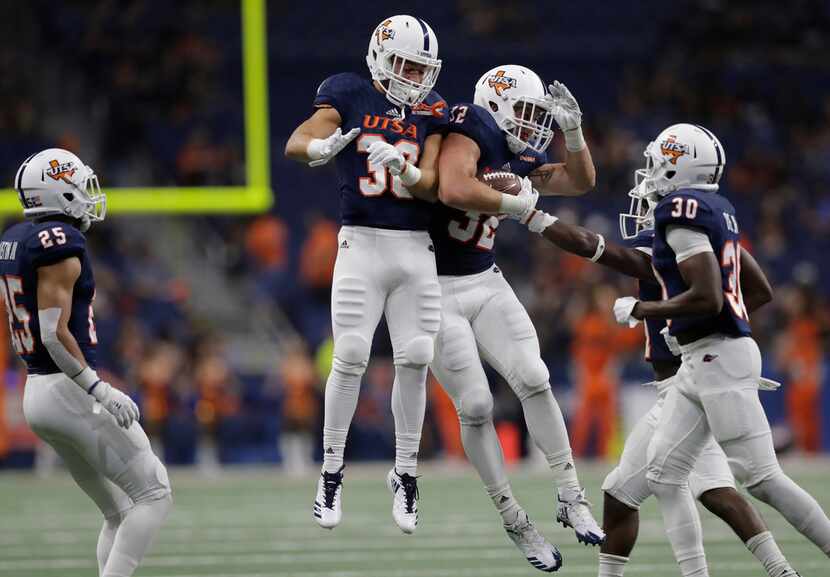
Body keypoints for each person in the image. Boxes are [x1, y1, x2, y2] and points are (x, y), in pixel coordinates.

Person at [401, 64, 601, 572]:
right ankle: (514, 517)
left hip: (484, 279)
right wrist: (518, 205)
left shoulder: (515, 148)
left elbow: (579, 181)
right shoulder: (470, 125)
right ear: (497, 104)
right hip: (433, 287)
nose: (536, 126)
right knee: (475, 406)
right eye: (529, 113)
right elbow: (453, 189)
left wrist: (574, 134)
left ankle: (571, 494)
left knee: (535, 376)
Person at [284, 15, 447, 534]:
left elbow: (437, 185)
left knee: (417, 357)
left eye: (421, 67)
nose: (413, 76)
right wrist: (322, 148)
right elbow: (299, 139)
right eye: (404, 63)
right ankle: (331, 472)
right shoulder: (349, 92)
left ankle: (406, 473)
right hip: (361, 242)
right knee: (350, 354)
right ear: (379, 56)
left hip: (415, 246)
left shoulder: (435, 110)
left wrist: (407, 171)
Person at [5, 148, 172, 577]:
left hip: (38, 392)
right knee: (154, 495)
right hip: (67, 389)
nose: (86, 194)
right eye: (78, 186)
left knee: (118, 512)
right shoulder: (60, 242)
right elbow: (52, 332)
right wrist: (100, 388)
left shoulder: (17, 237)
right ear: (58, 193)